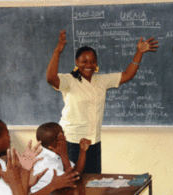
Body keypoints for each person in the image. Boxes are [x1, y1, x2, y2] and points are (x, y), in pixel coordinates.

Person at [46, 30, 159, 173]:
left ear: (96, 64)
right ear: (77, 62)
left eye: (92, 61)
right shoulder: (69, 80)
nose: (89, 65)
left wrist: (139, 52)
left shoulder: (101, 80)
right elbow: (50, 78)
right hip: (72, 142)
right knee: (73, 183)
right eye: (84, 61)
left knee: (93, 182)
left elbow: (127, 75)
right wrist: (58, 51)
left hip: (93, 141)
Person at [0, 118, 73, 195]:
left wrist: (26, 179)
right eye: (7, 134)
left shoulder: (0, 163)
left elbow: (22, 193)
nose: (10, 137)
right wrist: (52, 186)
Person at [30, 122, 91, 194]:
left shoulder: (53, 154)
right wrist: (64, 155)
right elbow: (72, 181)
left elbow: (75, 173)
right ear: (59, 139)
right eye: (63, 133)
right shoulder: (46, 162)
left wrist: (83, 150)